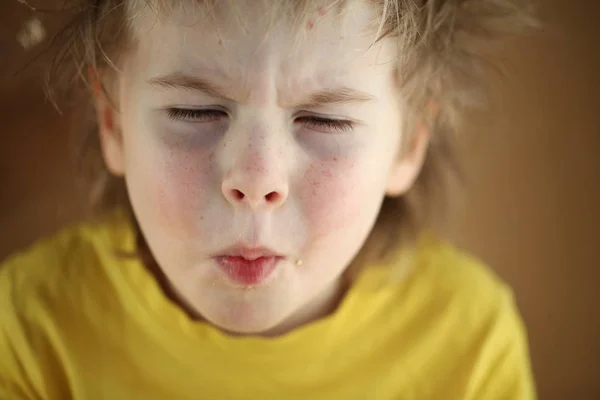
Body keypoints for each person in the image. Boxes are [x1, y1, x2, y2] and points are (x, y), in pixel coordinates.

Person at [0, 0, 537, 398]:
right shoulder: (27, 329)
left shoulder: (469, 343)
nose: (256, 181)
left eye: (324, 119)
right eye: (196, 112)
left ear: (411, 140)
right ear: (112, 121)